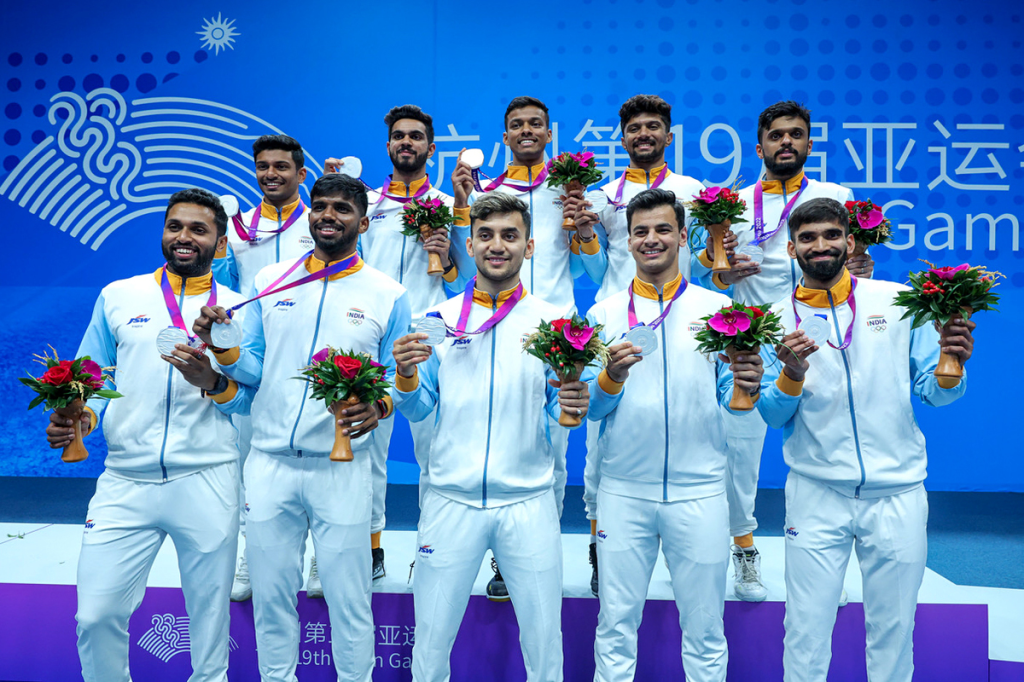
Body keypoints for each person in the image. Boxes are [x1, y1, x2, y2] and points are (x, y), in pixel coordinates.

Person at [194, 173, 411, 682]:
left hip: (342, 469)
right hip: (269, 464)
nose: (328, 215)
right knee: (271, 598)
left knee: (349, 599)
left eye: (342, 208)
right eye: (321, 206)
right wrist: (224, 346)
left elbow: (395, 380)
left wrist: (380, 406)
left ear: (362, 222)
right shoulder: (270, 282)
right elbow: (253, 368)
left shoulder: (388, 294)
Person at [757, 197, 973, 682]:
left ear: (850, 242)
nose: (821, 245)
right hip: (816, 493)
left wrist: (953, 366)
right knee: (805, 632)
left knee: (893, 632)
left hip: (898, 493)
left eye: (831, 235)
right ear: (791, 249)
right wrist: (792, 375)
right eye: (807, 238)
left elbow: (934, 393)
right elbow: (771, 414)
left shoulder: (897, 302)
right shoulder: (773, 320)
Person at [45, 188, 251, 682]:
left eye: (198, 229)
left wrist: (213, 382)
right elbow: (93, 375)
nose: (184, 237)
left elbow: (252, 397)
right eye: (175, 226)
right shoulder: (120, 295)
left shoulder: (240, 309)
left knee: (209, 627)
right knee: (94, 616)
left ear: (221, 242)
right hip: (125, 480)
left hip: (207, 476)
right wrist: (83, 417)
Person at [392, 193, 589, 682]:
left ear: (530, 246)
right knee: (430, 647)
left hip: (528, 501)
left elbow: (559, 411)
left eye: (509, 235)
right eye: (485, 235)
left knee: (544, 648)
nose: (496, 246)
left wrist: (571, 403)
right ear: (470, 243)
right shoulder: (435, 322)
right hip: (449, 500)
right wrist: (406, 377)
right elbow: (419, 408)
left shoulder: (554, 325)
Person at [584, 188, 764, 681]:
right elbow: (592, 408)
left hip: (700, 492)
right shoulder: (602, 315)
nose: (651, 239)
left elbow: (733, 398)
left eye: (663, 229)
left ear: (684, 237)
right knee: (615, 625)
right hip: (623, 492)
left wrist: (746, 382)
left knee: (705, 631)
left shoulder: (718, 309)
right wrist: (611, 377)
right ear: (627, 241)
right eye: (640, 231)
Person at [702, 101, 872, 601]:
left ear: (809, 144)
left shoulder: (835, 197)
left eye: (795, 134)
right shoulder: (732, 203)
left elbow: (852, 262)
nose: (786, 143)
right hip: (752, 337)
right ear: (759, 147)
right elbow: (709, 272)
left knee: (829, 443)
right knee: (739, 452)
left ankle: (829, 559)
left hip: (820, 334)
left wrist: (862, 266)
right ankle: (744, 549)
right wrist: (722, 275)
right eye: (776, 136)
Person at [323, 105, 471, 582]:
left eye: (416, 136)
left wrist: (445, 256)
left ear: (431, 147)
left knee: (436, 454)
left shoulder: (450, 206)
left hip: (429, 340)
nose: (407, 142)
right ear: (388, 146)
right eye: (399, 136)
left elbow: (466, 282)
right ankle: (370, 550)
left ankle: (432, 549)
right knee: (366, 450)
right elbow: (342, 265)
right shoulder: (364, 204)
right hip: (370, 338)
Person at [570, 94, 708, 595]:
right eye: (634, 128)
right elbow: (595, 270)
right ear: (623, 137)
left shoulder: (694, 192)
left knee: (693, 426)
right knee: (600, 444)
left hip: (680, 319)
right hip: (617, 322)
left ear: (669, 136)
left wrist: (721, 256)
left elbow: (705, 263)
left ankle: (698, 544)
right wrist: (585, 233)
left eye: (653, 126)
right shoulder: (602, 196)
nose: (643, 134)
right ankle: (600, 546)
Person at [449, 95, 580, 599]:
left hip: (557, 331)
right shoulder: (486, 193)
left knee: (554, 449)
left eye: (535, 124)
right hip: (492, 322)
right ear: (504, 137)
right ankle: (489, 554)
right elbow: (466, 266)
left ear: (549, 134)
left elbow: (589, 260)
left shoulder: (569, 188)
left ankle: (537, 551)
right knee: (492, 438)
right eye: (516, 125)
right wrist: (462, 204)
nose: (526, 131)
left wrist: (583, 224)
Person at [210, 134, 319, 601]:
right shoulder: (236, 228)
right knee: (249, 461)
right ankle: (251, 555)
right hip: (252, 359)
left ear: (301, 174)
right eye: (263, 166)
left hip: (309, 354)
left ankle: (320, 555)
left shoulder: (318, 224)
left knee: (319, 458)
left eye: (281, 166)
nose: (271, 174)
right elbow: (225, 287)